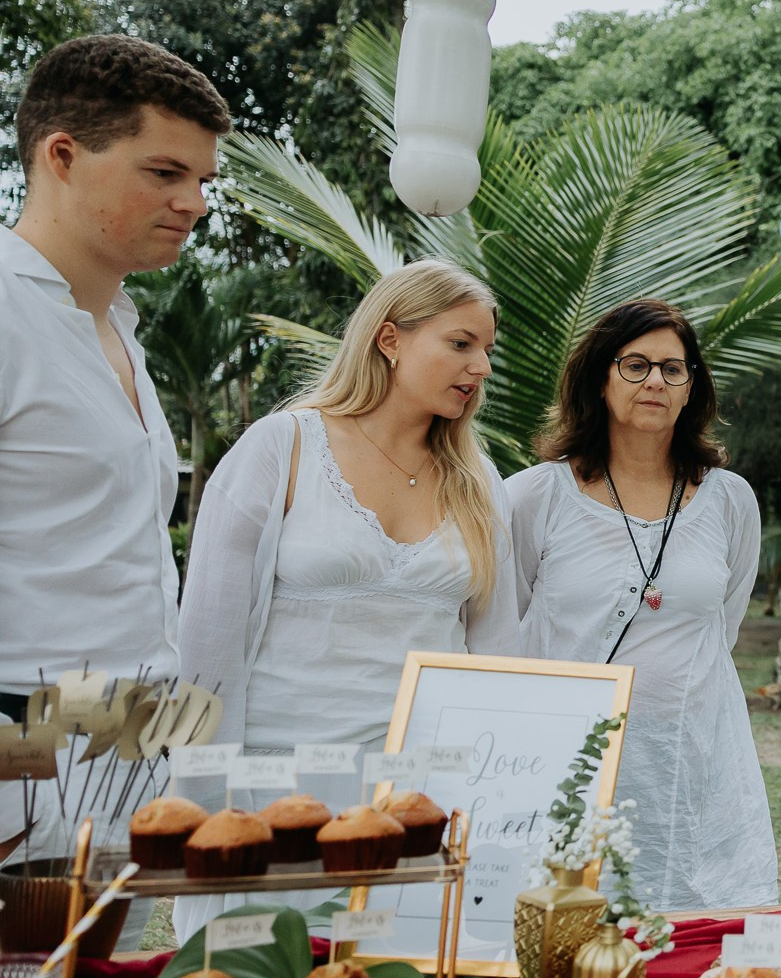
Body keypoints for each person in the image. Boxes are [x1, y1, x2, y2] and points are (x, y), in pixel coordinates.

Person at [176, 259, 522, 933]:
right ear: (389, 338)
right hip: (280, 785)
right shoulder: (283, 445)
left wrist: (497, 790)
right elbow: (209, 638)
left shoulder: (479, 480)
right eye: (460, 343)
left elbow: (498, 649)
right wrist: (205, 799)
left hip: (422, 789)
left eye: (487, 349)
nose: (480, 365)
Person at [509, 300, 777, 911]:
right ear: (599, 380)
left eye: (673, 369)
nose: (655, 380)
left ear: (691, 390)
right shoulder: (535, 496)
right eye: (635, 365)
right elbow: (503, 624)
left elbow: (721, 625)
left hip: (692, 759)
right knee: (567, 930)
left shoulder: (729, 500)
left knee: (693, 937)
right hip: (566, 762)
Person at [2, 36, 230, 723]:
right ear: (62, 157)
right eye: (164, 172)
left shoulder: (116, 326)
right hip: (23, 732)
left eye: (203, 181)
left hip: (140, 729)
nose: (195, 202)